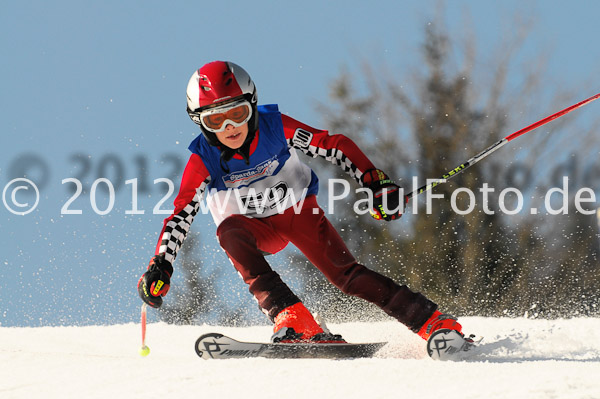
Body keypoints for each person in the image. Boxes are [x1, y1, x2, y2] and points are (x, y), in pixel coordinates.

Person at [138, 60, 463, 343]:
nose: (230, 127)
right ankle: (290, 316)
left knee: (346, 277)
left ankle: (432, 322)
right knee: (229, 232)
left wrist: (374, 182)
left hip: (297, 212)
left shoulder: (274, 127)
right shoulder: (202, 160)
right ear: (199, 122)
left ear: (253, 104)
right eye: (215, 121)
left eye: (238, 113)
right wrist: (162, 264)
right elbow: (181, 214)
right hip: (253, 228)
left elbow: (333, 145)